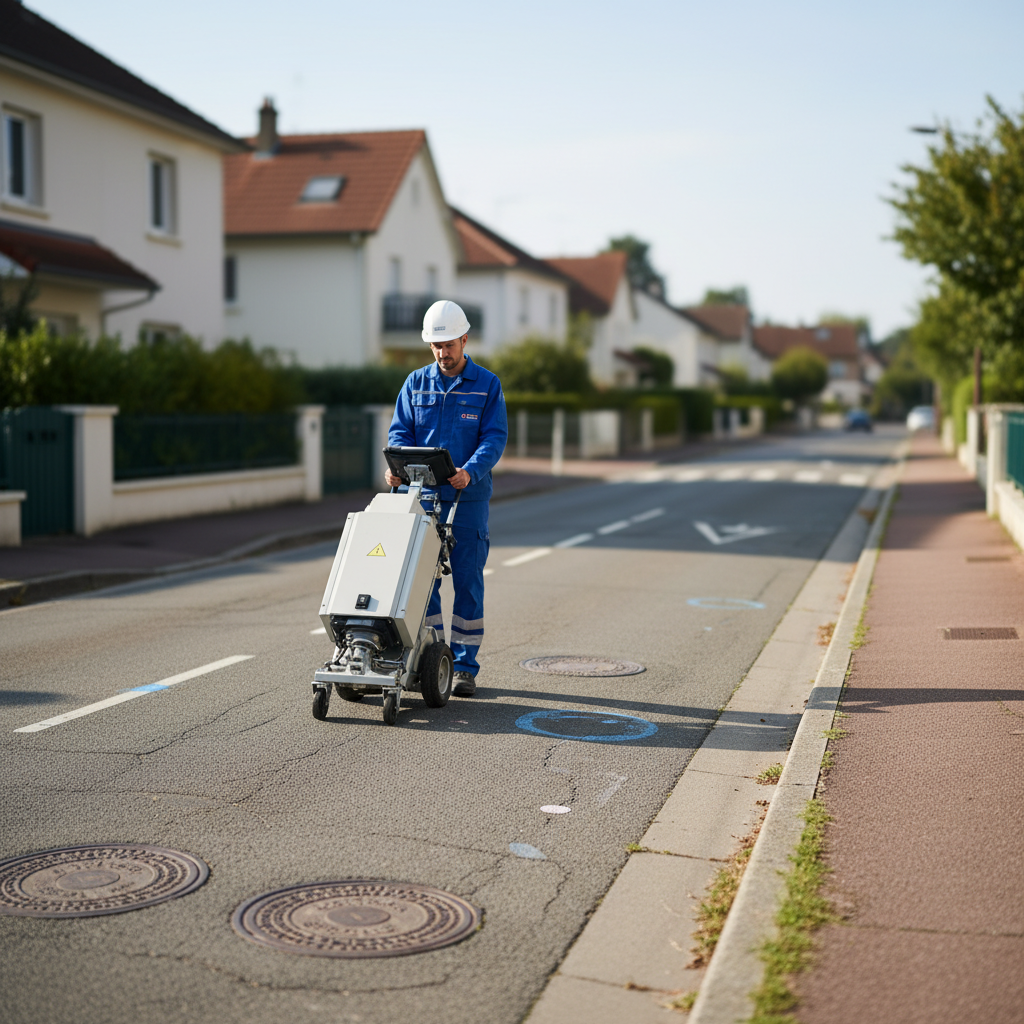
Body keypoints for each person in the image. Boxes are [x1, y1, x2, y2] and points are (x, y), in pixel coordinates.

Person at [385, 299, 508, 696]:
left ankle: (465, 666)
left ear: (464, 340)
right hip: (419, 500)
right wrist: (397, 468)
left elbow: (494, 437)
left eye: (449, 345)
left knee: (468, 583)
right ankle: (432, 658)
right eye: (436, 347)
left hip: (466, 501)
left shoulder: (487, 385)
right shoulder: (414, 383)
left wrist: (469, 472)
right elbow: (400, 434)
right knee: (423, 585)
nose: (443, 354)